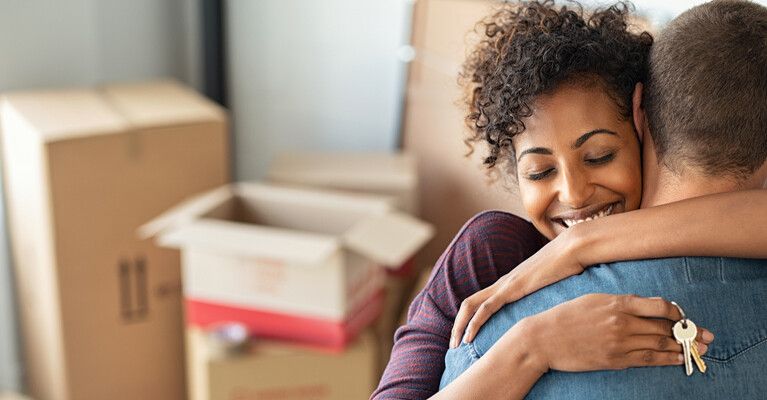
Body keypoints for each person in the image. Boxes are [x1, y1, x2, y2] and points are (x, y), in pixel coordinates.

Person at [371, 1, 767, 399]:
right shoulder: (489, 254)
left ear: (641, 123)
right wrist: (531, 346)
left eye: (599, 157)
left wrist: (582, 245)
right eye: (540, 173)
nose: (575, 193)